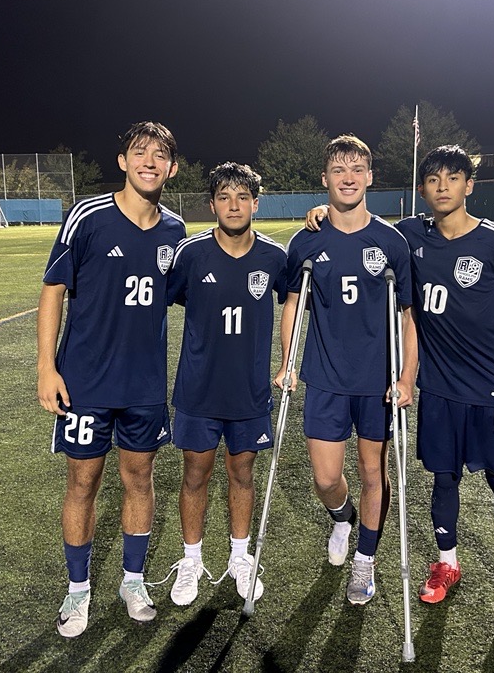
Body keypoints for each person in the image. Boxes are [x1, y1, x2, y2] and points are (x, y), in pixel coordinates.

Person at [37, 121, 185, 637]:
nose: (149, 161)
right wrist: (46, 367)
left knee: (139, 479)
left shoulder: (175, 229)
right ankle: (77, 591)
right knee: (83, 483)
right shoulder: (88, 216)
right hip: (85, 382)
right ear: (122, 160)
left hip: (144, 386)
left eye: (160, 154)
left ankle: (132, 581)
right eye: (139, 152)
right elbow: (54, 287)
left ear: (172, 167)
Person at [397, 145, 494, 617]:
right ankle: (446, 563)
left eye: (452, 178)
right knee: (443, 480)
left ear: (468, 185)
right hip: (439, 390)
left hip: (491, 390)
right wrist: (322, 212)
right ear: (423, 188)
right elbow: (362, 229)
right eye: (433, 179)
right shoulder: (411, 236)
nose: (442, 187)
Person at [278, 134, 417, 606]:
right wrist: (286, 363)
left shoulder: (391, 241)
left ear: (370, 177)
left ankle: (365, 560)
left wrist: (406, 377)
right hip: (326, 378)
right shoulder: (306, 240)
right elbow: (293, 303)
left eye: (357, 169)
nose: (349, 177)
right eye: (339, 169)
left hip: (377, 383)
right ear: (325, 180)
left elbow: (407, 316)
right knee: (324, 477)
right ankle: (342, 518)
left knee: (373, 471)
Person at [165, 162, 287, 606]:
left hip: (250, 391)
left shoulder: (275, 257)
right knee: (195, 474)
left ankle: (240, 556)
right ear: (212, 203)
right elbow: (171, 296)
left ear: (256, 203)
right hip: (198, 389)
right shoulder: (191, 254)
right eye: (224, 197)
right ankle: (191, 560)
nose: (233, 206)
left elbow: (292, 299)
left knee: (242, 472)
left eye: (242, 197)